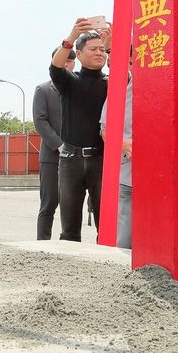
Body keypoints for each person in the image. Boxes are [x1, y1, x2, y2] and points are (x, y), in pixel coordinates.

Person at [49, 20, 110, 242]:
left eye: (102, 49)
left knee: (107, 226)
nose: (99, 53)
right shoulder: (70, 81)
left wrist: (112, 44)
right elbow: (55, 68)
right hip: (70, 160)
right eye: (93, 49)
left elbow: (127, 73)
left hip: (102, 159)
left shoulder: (111, 83)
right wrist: (72, 36)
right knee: (69, 228)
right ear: (80, 54)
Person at [100, 69, 134, 249]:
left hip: (165, 181)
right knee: (124, 241)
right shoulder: (122, 90)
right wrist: (122, 143)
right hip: (129, 178)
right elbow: (105, 130)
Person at [33, 78, 65, 240]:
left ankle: (69, 242)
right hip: (51, 156)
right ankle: (42, 244)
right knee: (49, 203)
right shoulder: (43, 89)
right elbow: (40, 121)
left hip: (76, 156)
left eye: (70, 64)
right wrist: (59, 145)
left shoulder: (76, 86)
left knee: (71, 205)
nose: (67, 66)